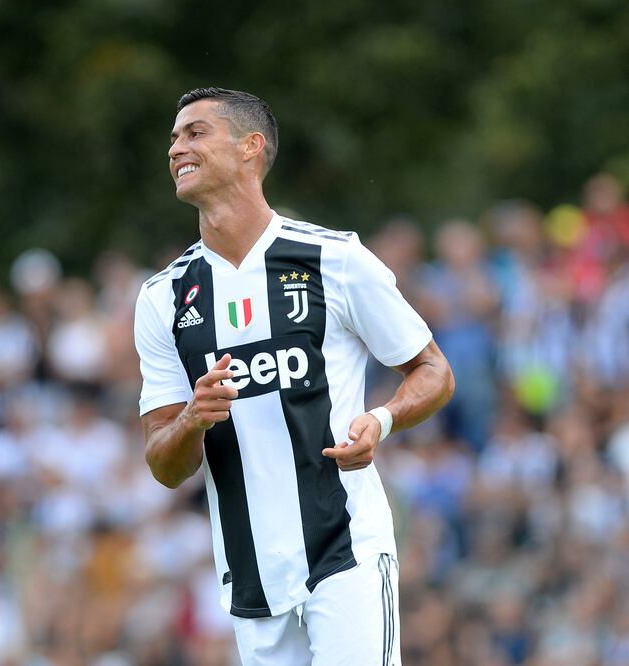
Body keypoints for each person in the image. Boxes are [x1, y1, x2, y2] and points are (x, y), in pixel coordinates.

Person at [133, 87, 454, 665]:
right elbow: (163, 464)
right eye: (175, 137)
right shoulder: (164, 297)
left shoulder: (334, 259)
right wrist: (192, 418)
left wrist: (380, 421)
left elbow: (432, 369)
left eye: (195, 132)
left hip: (345, 547)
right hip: (250, 574)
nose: (176, 146)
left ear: (251, 147)